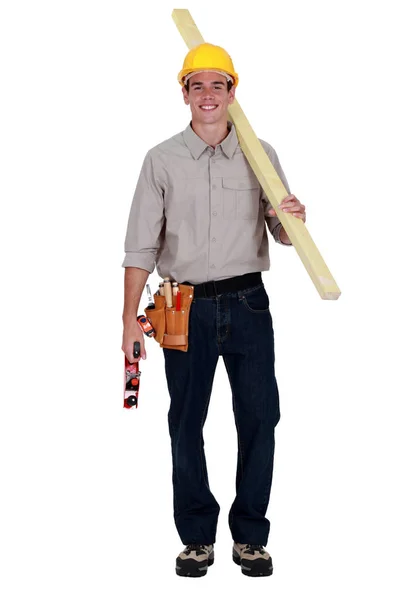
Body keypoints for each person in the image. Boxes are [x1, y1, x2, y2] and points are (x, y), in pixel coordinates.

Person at [121, 42, 306, 578]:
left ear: (233, 92)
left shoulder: (261, 153)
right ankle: (197, 538)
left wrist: (293, 216)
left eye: (217, 85)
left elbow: (281, 232)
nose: (208, 95)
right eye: (197, 85)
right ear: (184, 93)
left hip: (249, 304)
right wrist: (127, 320)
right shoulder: (161, 159)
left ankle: (251, 537)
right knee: (185, 422)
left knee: (260, 419)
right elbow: (139, 247)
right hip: (185, 307)